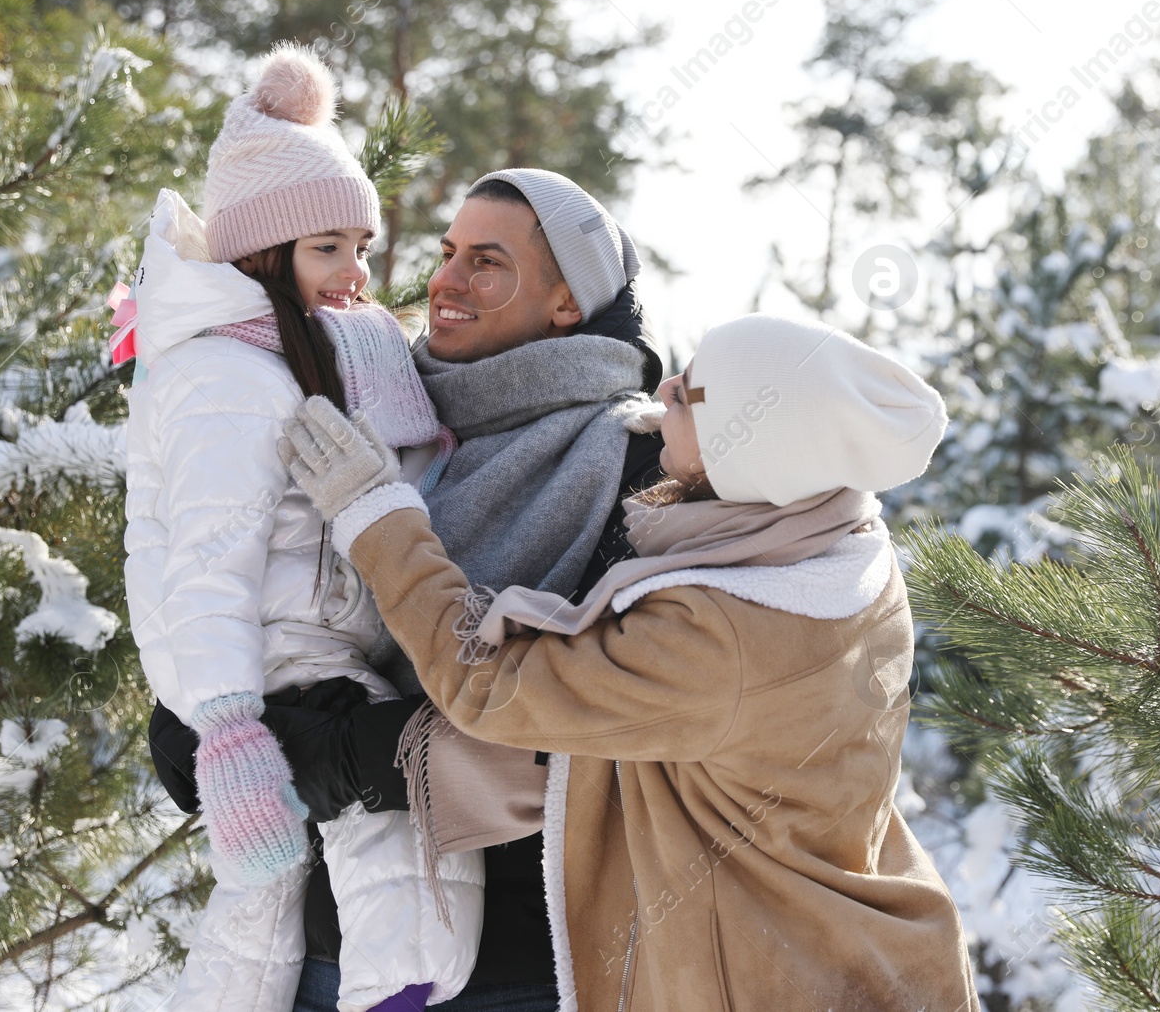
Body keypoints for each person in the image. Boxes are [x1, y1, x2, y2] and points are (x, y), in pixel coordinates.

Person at [281, 312, 982, 1011]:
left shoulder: (720, 640)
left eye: (690, 395)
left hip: (757, 980)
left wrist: (377, 517)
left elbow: (487, 686)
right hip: (848, 941)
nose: (667, 386)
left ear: (746, 451)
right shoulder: (845, 546)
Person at [148, 166, 666, 1012]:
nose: (446, 280)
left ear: (568, 302)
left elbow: (585, 727)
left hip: (520, 964)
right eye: (447, 250)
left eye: (486, 262)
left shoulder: (633, 466)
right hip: (324, 948)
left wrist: (329, 755)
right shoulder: (374, 412)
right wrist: (211, 728)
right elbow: (233, 653)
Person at [123, 46, 481, 1012]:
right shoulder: (225, 379)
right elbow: (199, 563)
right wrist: (228, 722)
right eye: (330, 248)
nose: (357, 272)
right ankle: (399, 994)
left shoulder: (309, 355)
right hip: (278, 668)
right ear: (262, 253)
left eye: (363, 248)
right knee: (397, 835)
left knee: (270, 883)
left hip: (319, 657)